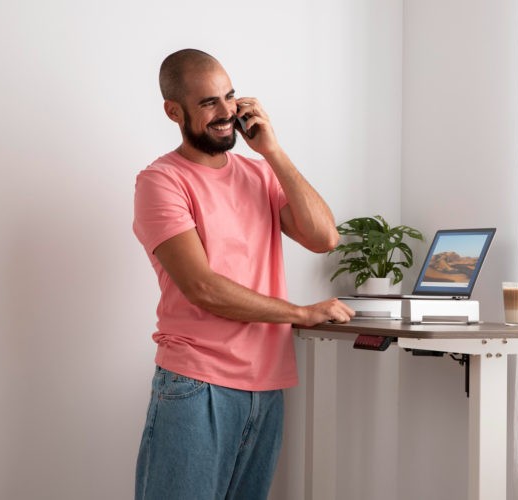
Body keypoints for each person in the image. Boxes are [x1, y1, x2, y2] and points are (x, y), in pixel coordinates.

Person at [132, 48, 354, 500]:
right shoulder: (162, 181)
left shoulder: (259, 174)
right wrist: (299, 313)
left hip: (266, 385)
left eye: (229, 97)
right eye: (208, 102)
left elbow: (324, 237)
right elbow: (203, 288)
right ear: (173, 111)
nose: (226, 112)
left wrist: (272, 151)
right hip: (197, 385)